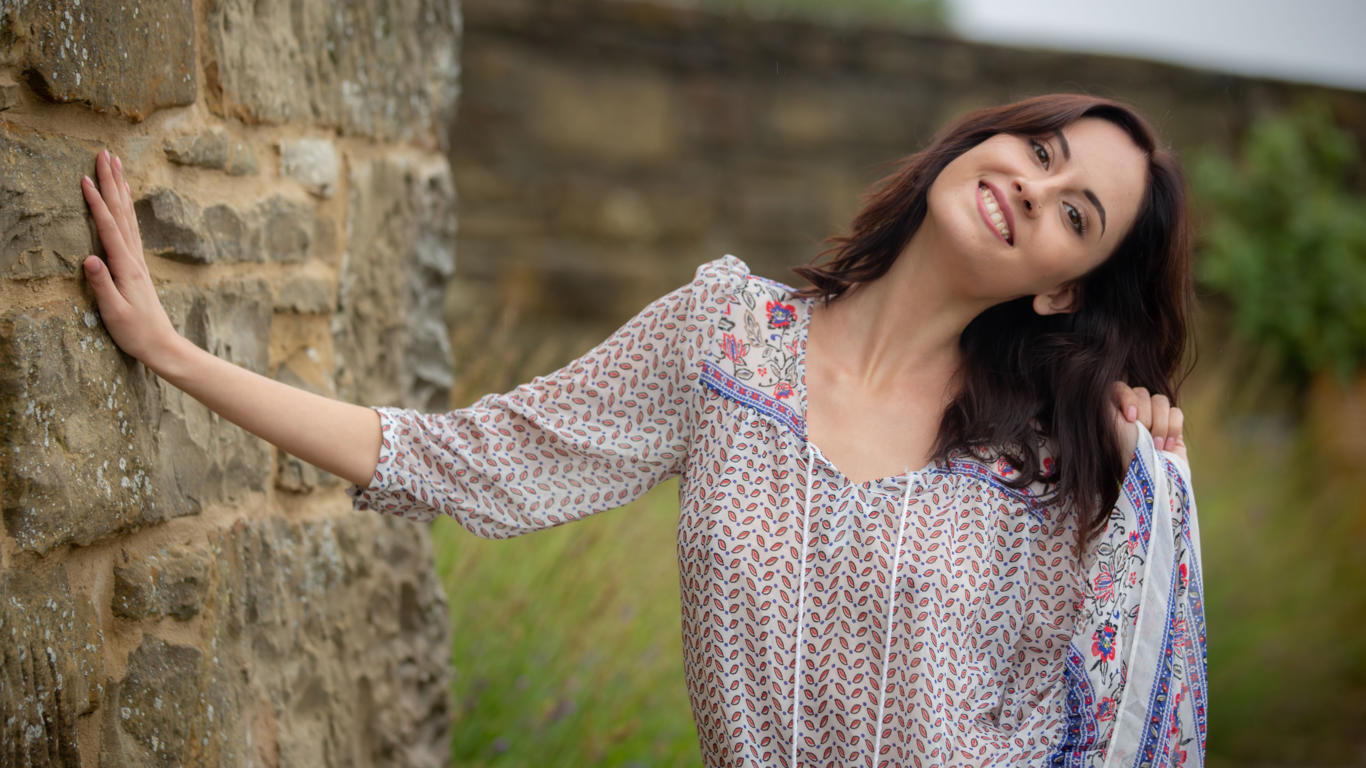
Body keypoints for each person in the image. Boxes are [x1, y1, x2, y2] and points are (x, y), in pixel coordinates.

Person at [79, 93, 1204, 767]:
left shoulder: (1056, 469)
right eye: (1041, 151)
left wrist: (1160, 497)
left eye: (1076, 214)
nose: (1035, 187)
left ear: (1062, 288)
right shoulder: (727, 340)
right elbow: (463, 460)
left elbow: (1122, 721)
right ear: (984, 141)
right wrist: (175, 354)